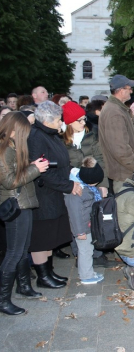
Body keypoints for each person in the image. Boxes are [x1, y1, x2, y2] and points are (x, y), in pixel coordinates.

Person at [28, 101, 83, 289]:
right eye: (59, 120)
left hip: (54, 192)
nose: (61, 123)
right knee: (42, 237)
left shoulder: (49, 134)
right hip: (44, 195)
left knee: (51, 235)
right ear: (47, 120)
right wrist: (67, 185)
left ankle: (49, 271)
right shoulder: (36, 137)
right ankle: (43, 276)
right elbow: (42, 170)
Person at [0, 112, 49, 315]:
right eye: (24, 132)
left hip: (23, 204)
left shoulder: (12, 147)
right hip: (15, 206)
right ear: (13, 130)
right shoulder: (3, 150)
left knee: (22, 250)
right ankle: (3, 300)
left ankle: (24, 286)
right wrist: (35, 169)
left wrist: (32, 166)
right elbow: (10, 181)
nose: (26, 136)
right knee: (14, 253)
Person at [61, 102, 114, 268]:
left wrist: (103, 184)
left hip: (93, 183)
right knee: (78, 222)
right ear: (70, 123)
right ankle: (80, 255)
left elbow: (101, 161)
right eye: (80, 120)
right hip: (73, 187)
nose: (84, 123)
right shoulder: (61, 141)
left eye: (84, 119)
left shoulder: (90, 136)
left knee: (95, 218)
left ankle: (97, 254)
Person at [64, 157, 106, 284]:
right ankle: (86, 276)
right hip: (82, 228)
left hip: (88, 225)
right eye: (94, 183)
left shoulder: (88, 187)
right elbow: (74, 214)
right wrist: (79, 232)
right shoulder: (76, 193)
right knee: (85, 251)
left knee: (88, 250)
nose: (96, 185)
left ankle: (88, 271)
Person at [99, 74, 134, 193]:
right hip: (124, 174)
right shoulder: (114, 112)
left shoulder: (118, 109)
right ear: (121, 90)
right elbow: (120, 148)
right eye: (129, 88)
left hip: (126, 172)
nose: (131, 91)